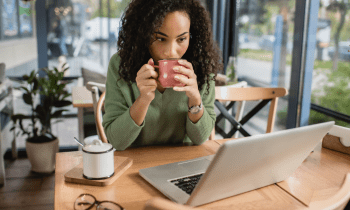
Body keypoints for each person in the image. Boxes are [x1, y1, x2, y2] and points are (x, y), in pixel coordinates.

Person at [103, 0, 223, 150]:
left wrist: (195, 99)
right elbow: (116, 141)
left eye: (181, 39)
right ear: (143, 34)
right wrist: (143, 99)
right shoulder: (121, 64)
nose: (171, 51)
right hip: (135, 164)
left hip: (182, 164)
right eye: (160, 38)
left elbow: (200, 139)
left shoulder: (201, 67)